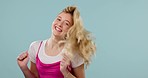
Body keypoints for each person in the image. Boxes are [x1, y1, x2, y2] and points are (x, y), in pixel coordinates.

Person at [17, 5, 96, 78]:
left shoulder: (73, 53)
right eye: (58, 19)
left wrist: (66, 72)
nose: (60, 24)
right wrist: (24, 68)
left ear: (71, 30)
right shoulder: (35, 47)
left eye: (66, 23)